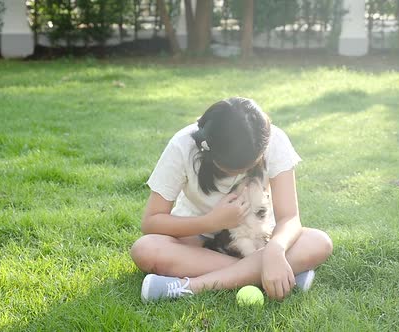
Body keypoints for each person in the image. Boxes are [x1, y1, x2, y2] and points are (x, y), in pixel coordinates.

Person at [130, 97, 333, 302]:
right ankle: (281, 274)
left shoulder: (274, 140)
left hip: (256, 240)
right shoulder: (182, 146)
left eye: (250, 165)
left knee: (319, 242)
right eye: (235, 170)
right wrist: (212, 222)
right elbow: (151, 222)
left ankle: (191, 286)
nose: (244, 173)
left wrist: (275, 250)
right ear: (212, 153)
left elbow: (289, 217)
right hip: (197, 244)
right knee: (145, 249)